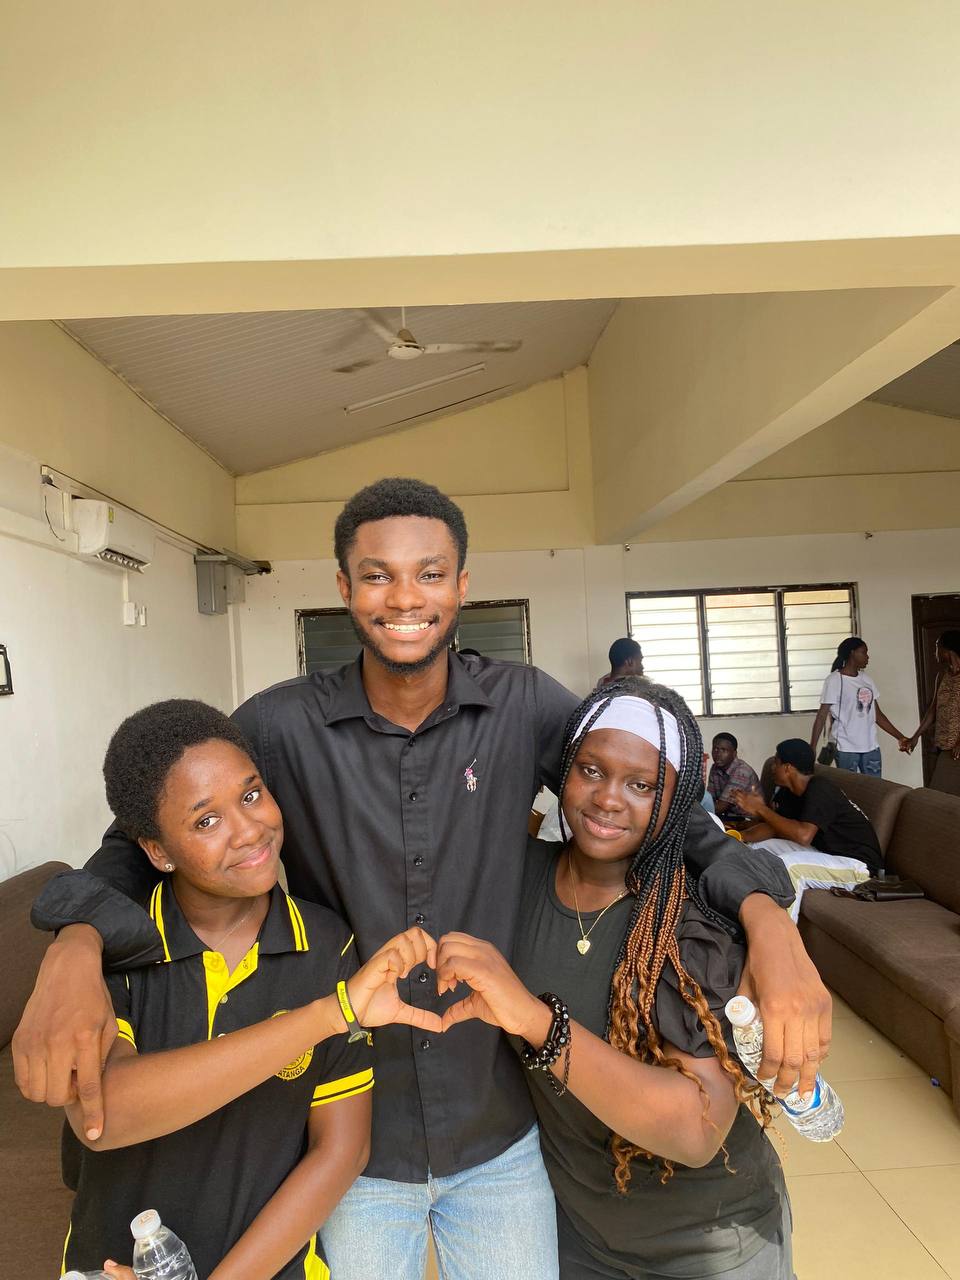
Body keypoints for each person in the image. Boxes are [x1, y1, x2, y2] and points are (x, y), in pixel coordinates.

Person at [15, 478, 829, 1280]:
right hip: (356, 1138)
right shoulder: (279, 725)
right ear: (344, 587)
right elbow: (145, 834)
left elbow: (667, 806)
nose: (405, 597)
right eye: (377, 574)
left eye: (430, 573)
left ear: (463, 586)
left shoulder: (525, 706)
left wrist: (768, 919)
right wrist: (75, 949)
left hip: (500, 1128)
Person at [58, 699, 441, 1280]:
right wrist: (328, 1014)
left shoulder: (326, 943)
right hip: (115, 1264)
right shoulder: (119, 946)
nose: (249, 830)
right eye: (205, 821)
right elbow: (105, 1116)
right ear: (157, 851)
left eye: (251, 794)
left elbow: (341, 1150)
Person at [435, 679, 793, 1279]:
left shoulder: (692, 918)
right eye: (591, 771)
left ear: (674, 803)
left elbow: (696, 1128)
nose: (608, 799)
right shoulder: (516, 879)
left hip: (708, 1245)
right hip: (577, 1234)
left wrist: (534, 1021)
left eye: (642, 785)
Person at [735, 739, 882, 922]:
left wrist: (761, 810)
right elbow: (774, 828)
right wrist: (738, 837)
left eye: (776, 763)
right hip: (827, 854)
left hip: (859, 867)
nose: (773, 767)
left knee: (789, 867)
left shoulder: (820, 788)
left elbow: (803, 835)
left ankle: (780, 941)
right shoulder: (788, 792)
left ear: (788, 767)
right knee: (758, 849)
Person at [808, 637, 908, 775]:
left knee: (875, 789)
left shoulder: (866, 680)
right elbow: (821, 717)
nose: (867, 657)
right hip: (845, 748)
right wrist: (812, 747)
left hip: (871, 747)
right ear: (852, 653)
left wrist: (900, 737)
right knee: (850, 791)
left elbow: (877, 715)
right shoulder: (834, 680)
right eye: (864, 652)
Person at [902, 629, 960, 796]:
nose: (935, 652)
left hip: (956, 748)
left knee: (944, 795)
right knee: (941, 795)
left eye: (937, 647)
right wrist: (915, 737)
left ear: (947, 651)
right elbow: (933, 710)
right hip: (943, 745)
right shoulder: (942, 675)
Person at [707, 733, 760, 821]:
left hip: (749, 820)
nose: (718, 754)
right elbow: (710, 799)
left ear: (734, 753)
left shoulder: (742, 771)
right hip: (730, 816)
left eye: (724, 750)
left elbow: (720, 807)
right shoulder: (715, 768)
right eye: (715, 749)